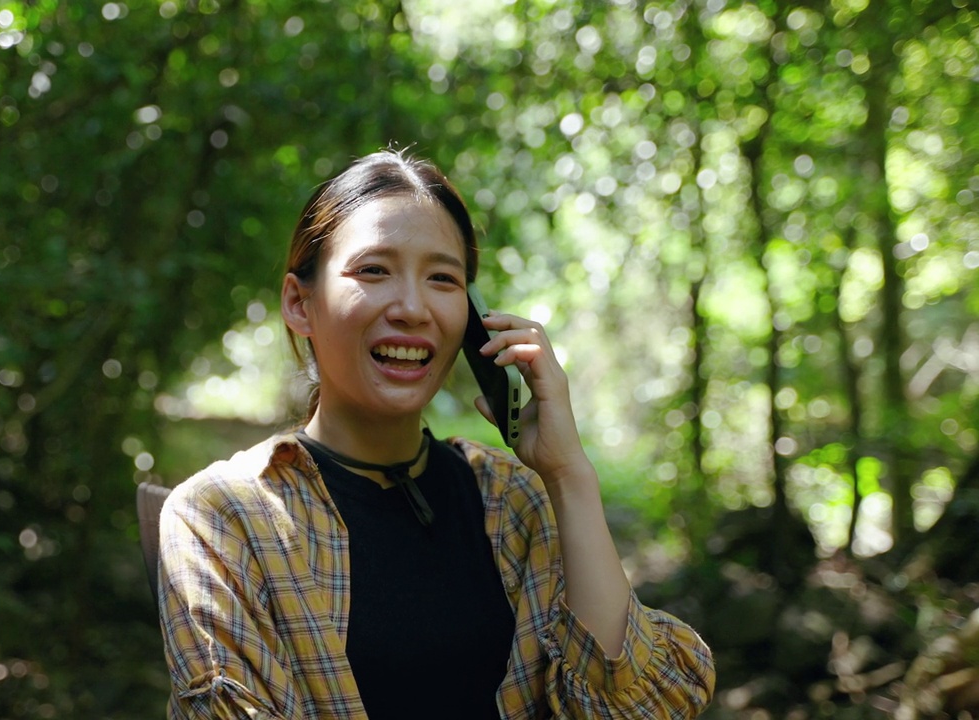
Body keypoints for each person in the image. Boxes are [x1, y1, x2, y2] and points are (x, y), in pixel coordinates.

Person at [157, 149, 715, 719]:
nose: (412, 307)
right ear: (300, 304)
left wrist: (569, 476)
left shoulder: (516, 502)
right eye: (374, 270)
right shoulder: (220, 518)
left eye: (443, 279)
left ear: (473, 321)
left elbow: (636, 710)